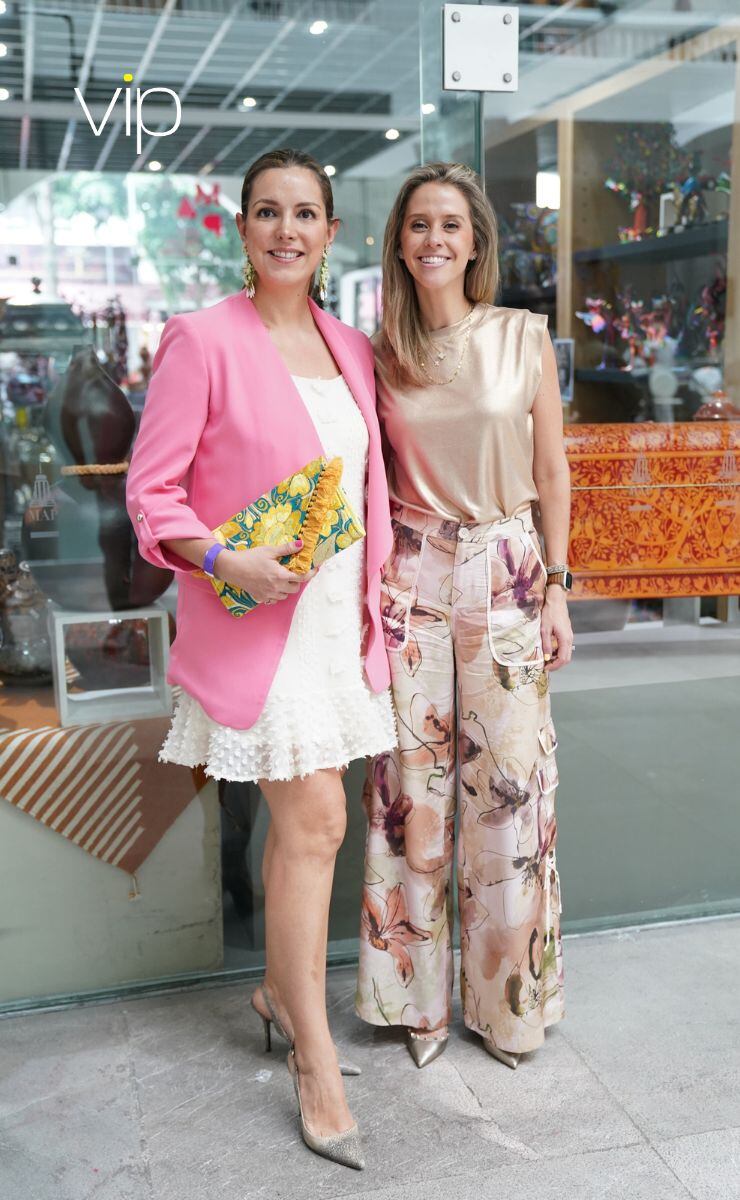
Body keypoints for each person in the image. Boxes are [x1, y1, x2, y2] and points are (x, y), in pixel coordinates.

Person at [126, 148, 398, 1170]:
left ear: (330, 235)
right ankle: (313, 1060)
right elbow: (152, 497)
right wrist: (221, 552)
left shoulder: (351, 349)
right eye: (267, 213)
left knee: (310, 835)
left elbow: (366, 493)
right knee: (317, 820)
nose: (287, 229)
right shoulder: (201, 341)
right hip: (255, 624)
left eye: (306, 215)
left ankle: (276, 993)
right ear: (241, 229)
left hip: (336, 625)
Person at [356, 162, 572, 1071]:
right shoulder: (378, 351)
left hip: (509, 564)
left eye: (449, 223)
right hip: (412, 571)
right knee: (416, 786)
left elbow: (554, 470)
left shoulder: (523, 335)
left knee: (508, 792)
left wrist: (560, 584)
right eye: (417, 225)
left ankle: (510, 1007)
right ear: (399, 244)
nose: (433, 239)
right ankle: (421, 1004)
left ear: (475, 240)